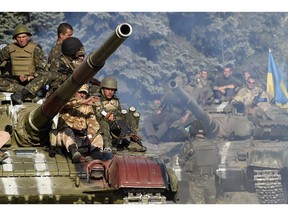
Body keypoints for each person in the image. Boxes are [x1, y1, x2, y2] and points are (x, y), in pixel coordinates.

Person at [10, 37, 85, 104]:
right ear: (72, 50)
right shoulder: (58, 62)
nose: (81, 54)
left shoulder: (77, 61)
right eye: (78, 51)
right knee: (48, 75)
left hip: (78, 91)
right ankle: (22, 93)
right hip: (59, 92)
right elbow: (53, 77)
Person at [93, 76, 146, 152]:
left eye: (112, 90)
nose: (110, 92)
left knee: (129, 117)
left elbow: (119, 113)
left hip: (115, 122)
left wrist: (122, 120)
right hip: (101, 121)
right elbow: (99, 111)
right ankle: (108, 146)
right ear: (102, 89)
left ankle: (134, 142)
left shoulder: (116, 100)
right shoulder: (97, 98)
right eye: (108, 89)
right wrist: (107, 115)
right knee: (104, 124)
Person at [56, 84, 103, 163]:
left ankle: (96, 155)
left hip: (81, 136)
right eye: (80, 92)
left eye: (84, 93)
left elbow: (93, 122)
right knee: (67, 132)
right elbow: (65, 104)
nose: (82, 95)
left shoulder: (87, 107)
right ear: (74, 92)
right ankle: (74, 152)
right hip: (66, 136)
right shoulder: (66, 103)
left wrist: (90, 135)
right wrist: (82, 102)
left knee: (98, 136)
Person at [0, 24, 48, 95]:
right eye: (19, 37)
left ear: (28, 37)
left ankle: (27, 90)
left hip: (32, 81)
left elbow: (43, 70)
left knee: (46, 75)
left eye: (23, 37)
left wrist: (30, 77)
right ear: (15, 39)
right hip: (15, 82)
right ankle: (23, 90)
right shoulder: (9, 48)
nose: (21, 40)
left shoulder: (35, 49)